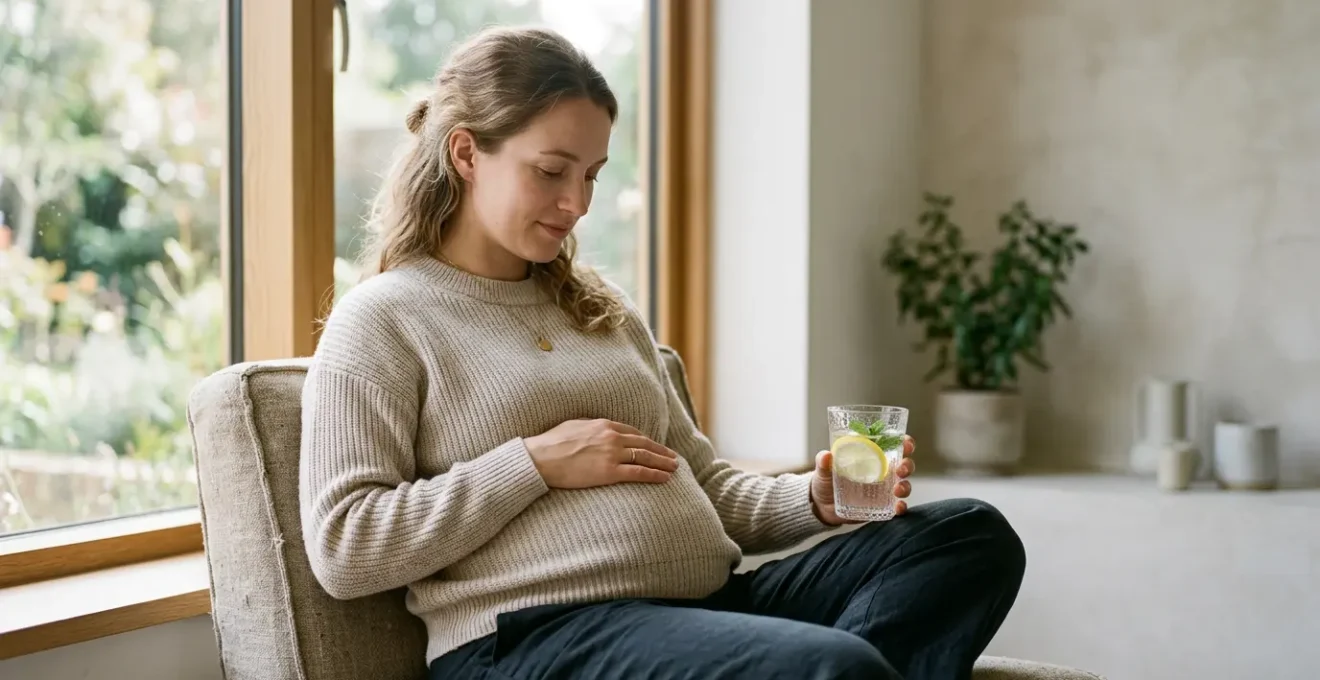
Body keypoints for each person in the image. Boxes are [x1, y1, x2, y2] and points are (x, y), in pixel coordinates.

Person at [299, 25, 1025, 680]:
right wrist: (534, 463)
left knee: (969, 536)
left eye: (591, 174)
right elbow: (344, 545)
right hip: (533, 639)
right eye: (551, 170)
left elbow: (704, 485)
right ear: (466, 153)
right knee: (830, 667)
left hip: (707, 608)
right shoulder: (384, 320)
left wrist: (811, 499)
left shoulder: (598, 306)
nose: (577, 203)